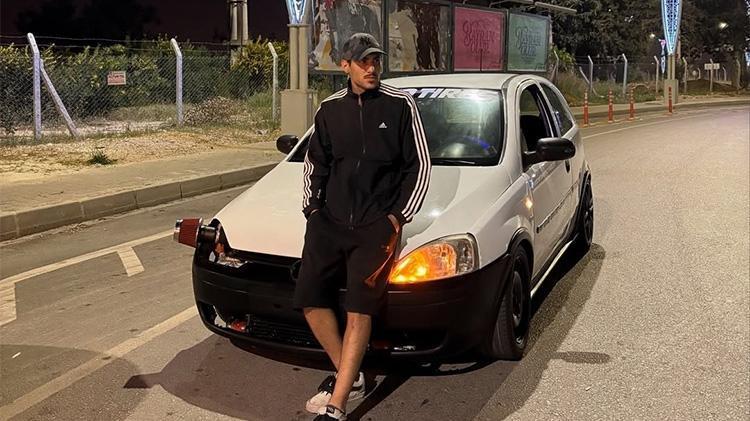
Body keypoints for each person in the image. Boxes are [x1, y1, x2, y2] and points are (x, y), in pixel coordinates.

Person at [293, 32, 431, 421]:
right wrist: (313, 210)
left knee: (359, 309)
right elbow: (315, 164)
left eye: (376, 61)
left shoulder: (400, 105)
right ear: (345, 66)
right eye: (363, 61)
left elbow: (419, 165)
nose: (372, 68)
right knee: (309, 299)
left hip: (376, 225)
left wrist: (396, 218)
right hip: (329, 222)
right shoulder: (329, 109)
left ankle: (337, 406)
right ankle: (350, 375)